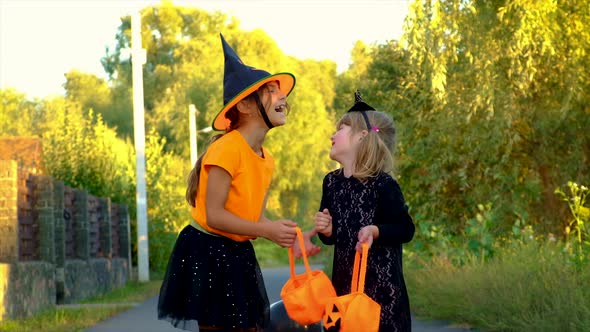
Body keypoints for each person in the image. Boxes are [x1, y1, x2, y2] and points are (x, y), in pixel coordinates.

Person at [158, 33, 298, 332]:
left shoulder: (266, 158)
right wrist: (265, 230)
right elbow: (215, 216)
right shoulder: (227, 148)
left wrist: (284, 234)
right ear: (246, 106)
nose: (283, 96)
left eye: (280, 91)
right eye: (271, 91)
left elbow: (253, 218)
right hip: (208, 251)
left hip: (238, 253)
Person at [298, 91, 415, 331]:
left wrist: (375, 230)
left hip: (383, 295)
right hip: (344, 291)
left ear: (362, 136)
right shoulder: (331, 182)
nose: (332, 134)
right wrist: (328, 230)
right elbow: (331, 237)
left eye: (340, 129)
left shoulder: (383, 184)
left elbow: (405, 229)